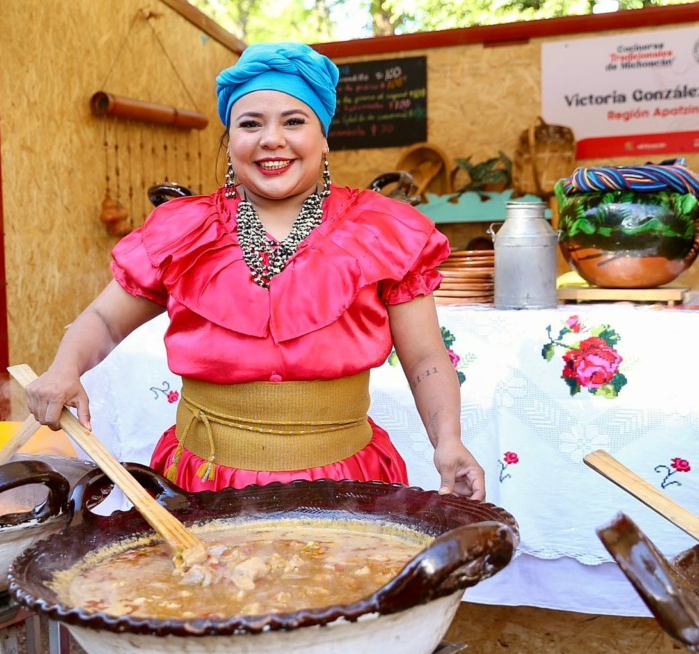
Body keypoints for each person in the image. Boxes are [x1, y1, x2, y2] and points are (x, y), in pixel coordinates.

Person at [26, 42, 486, 500]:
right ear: (230, 142)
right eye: (250, 124)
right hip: (206, 483)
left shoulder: (382, 230)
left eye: (294, 121)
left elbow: (425, 357)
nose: (271, 139)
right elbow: (104, 320)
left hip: (345, 485)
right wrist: (65, 367)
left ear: (324, 136)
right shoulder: (184, 230)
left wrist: (448, 440)